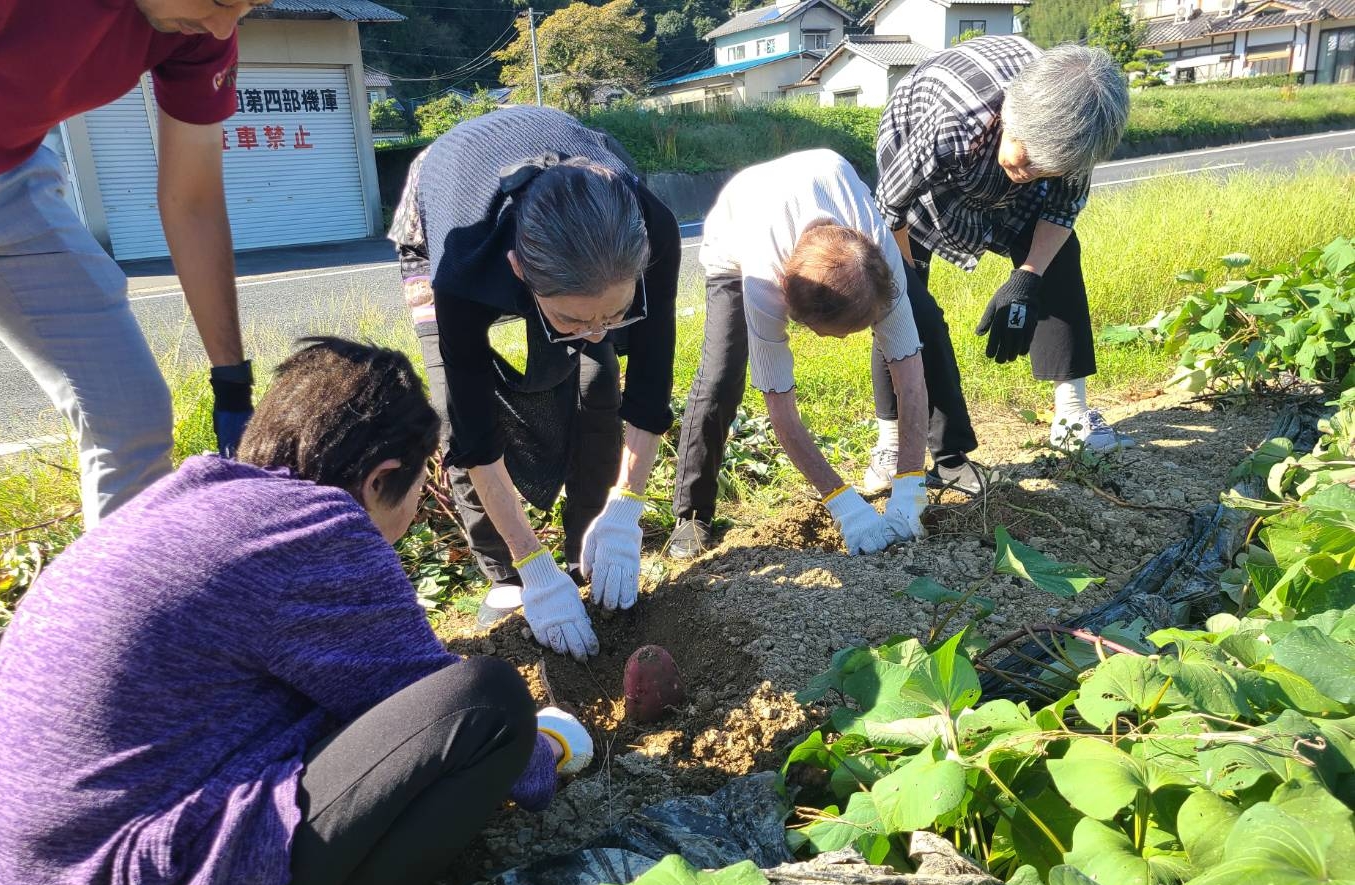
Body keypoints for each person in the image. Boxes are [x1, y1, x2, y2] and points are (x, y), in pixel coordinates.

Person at [0, 338, 594, 885]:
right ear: (379, 478)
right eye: (417, 493)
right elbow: (435, 703)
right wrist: (546, 748)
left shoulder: (196, 500)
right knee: (486, 707)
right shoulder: (313, 528)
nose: (411, 521)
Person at [0, 1, 266, 837]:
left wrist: (232, 382)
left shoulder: (202, 17)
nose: (225, 19)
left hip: (15, 174)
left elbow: (193, 198)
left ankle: (123, 661)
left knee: (131, 412)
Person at [390, 106, 680, 658]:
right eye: (574, 319)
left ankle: (585, 547)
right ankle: (509, 571)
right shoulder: (463, 267)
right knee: (458, 411)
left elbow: (650, 383)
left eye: (612, 314)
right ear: (520, 272)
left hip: (585, 207)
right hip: (440, 205)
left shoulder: (651, 228)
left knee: (600, 383)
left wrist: (627, 507)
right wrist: (530, 561)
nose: (596, 333)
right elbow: (472, 429)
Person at [867, 37, 1132, 494]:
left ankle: (1071, 415)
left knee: (1059, 258)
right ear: (1010, 114)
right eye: (1027, 155)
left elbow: (1061, 211)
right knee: (899, 308)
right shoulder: (947, 123)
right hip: (930, 178)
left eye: (1046, 168)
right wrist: (915, 296)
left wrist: (1027, 278)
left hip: (1002, 163)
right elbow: (890, 211)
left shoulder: (1075, 131)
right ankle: (892, 442)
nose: (1029, 170)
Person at [668, 149, 931, 560]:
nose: (844, 343)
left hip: (822, 181)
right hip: (738, 227)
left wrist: (910, 483)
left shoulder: (879, 260)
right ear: (789, 306)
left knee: (922, 325)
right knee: (721, 375)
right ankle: (692, 513)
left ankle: (934, 464)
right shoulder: (763, 285)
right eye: (834, 335)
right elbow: (782, 414)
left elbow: (911, 378)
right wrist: (843, 504)